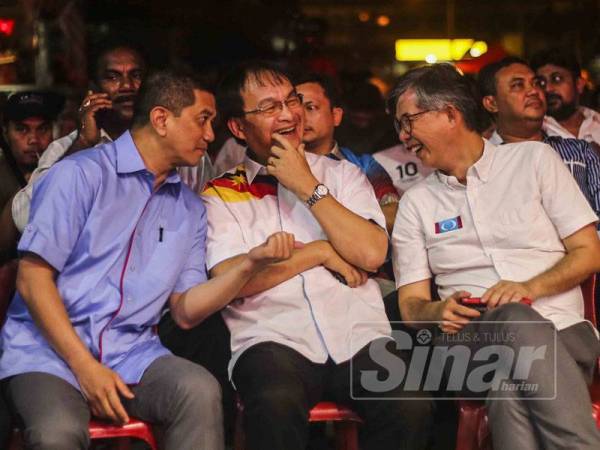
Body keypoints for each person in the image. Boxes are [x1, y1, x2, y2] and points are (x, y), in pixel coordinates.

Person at [0, 69, 295, 450]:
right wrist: (86, 367)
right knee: (59, 431)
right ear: (161, 119)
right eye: (202, 120)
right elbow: (31, 279)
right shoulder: (78, 175)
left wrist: (249, 263)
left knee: (198, 389)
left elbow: (186, 310)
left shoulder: (189, 208)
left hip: (131, 355)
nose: (210, 135)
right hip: (48, 355)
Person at [201, 61, 434, 450]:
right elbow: (232, 281)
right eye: (268, 107)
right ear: (239, 128)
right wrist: (321, 252)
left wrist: (307, 185)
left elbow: (373, 253)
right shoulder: (222, 193)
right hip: (271, 339)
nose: (289, 114)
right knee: (275, 404)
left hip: (359, 336)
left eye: (291, 100)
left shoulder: (343, 176)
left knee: (411, 404)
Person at [390, 63, 600, 450]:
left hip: (565, 334)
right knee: (512, 319)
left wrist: (527, 287)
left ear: (449, 114)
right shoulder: (416, 204)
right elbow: (410, 305)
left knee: (509, 388)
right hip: (469, 347)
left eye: (409, 121)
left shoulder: (534, 160)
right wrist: (438, 312)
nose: (404, 137)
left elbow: (589, 253)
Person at [9, 41, 214, 237]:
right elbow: (25, 219)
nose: (127, 86)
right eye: (113, 77)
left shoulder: (186, 150)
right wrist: (83, 144)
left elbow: (206, 229)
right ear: (94, 89)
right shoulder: (65, 148)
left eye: (136, 75)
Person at [479, 57, 600, 230]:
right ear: (492, 103)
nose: (533, 91)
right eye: (518, 85)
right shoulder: (482, 164)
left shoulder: (579, 152)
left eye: (535, 83)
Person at [295, 73, 399, 233]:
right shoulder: (280, 166)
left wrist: (344, 229)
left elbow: (392, 211)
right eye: (295, 108)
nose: (301, 117)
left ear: (336, 116)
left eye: (311, 107)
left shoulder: (363, 165)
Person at [0, 91, 64, 262]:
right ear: (6, 132)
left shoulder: (66, 171)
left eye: (42, 128)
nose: (33, 139)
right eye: (21, 129)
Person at [530, 48, 600, 147]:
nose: (548, 89)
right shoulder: (531, 131)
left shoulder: (597, 123)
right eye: (541, 83)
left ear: (579, 84)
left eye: (557, 79)